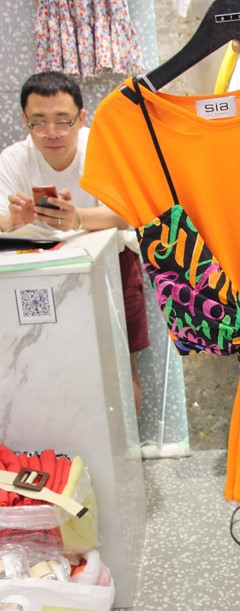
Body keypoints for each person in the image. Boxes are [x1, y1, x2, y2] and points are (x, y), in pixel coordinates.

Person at [0, 71, 149, 414]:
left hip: (113, 264)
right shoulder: (13, 159)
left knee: (120, 369)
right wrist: (15, 221)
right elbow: (2, 219)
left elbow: (129, 213)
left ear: (81, 118)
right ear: (24, 120)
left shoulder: (100, 148)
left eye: (63, 121)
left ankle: (128, 446)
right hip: (42, 274)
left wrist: (77, 218)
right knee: (48, 365)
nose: (52, 133)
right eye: (39, 122)